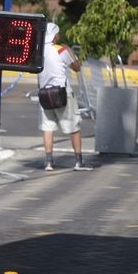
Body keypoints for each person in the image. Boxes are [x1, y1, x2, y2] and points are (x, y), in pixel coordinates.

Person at [37, 22, 92, 172]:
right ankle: (78, 162)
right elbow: (76, 67)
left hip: (44, 93)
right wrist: (71, 51)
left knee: (48, 128)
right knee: (73, 127)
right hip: (62, 93)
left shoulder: (38, 50)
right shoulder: (61, 50)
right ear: (55, 36)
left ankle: (49, 162)